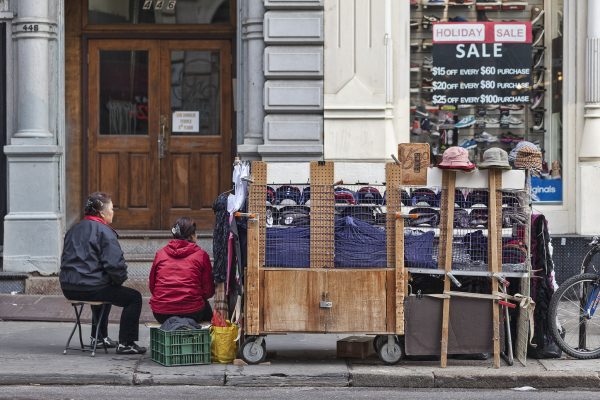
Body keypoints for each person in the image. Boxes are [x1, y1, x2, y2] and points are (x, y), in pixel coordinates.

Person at [60, 192, 146, 355]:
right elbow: (115, 266)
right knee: (134, 298)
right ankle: (126, 343)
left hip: (68, 287)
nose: (113, 212)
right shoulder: (104, 231)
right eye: (111, 209)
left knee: (106, 287)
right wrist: (119, 280)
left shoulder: (73, 229)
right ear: (101, 213)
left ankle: (99, 338)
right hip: (91, 288)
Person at [149, 217, 215, 323]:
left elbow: (152, 287)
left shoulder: (160, 254)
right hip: (193, 312)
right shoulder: (201, 255)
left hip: (161, 313)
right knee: (209, 316)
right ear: (192, 236)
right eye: (195, 233)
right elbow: (208, 291)